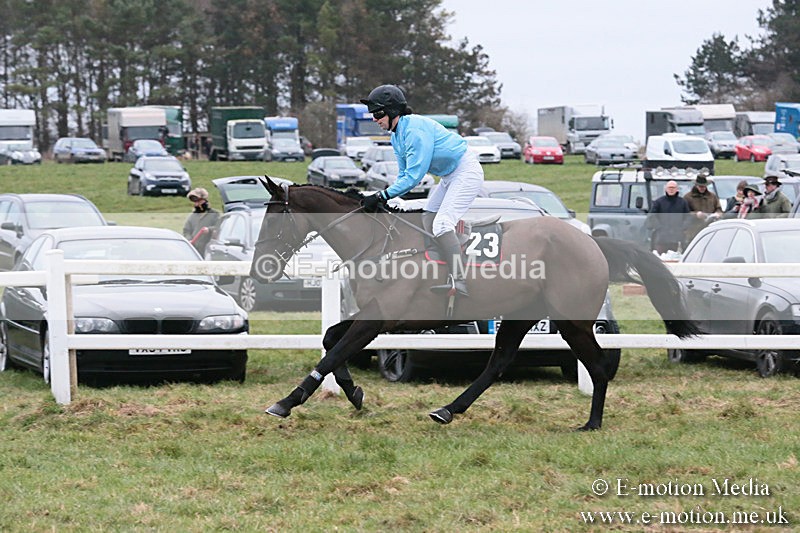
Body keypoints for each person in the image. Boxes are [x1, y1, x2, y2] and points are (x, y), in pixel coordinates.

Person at [359, 84, 484, 297]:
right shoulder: (396, 135)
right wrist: (387, 196)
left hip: (465, 171)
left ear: (391, 111)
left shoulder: (414, 131)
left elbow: (414, 177)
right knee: (429, 219)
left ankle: (460, 281)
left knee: (442, 224)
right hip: (449, 176)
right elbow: (403, 175)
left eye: (377, 113)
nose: (374, 119)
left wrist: (382, 195)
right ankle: (449, 256)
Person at [646, 180, 690, 254]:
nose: (671, 189)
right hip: (661, 238)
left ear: (677, 189)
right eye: (669, 187)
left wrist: (683, 227)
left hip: (676, 238)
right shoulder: (659, 202)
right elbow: (652, 216)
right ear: (666, 189)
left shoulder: (683, 202)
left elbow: (688, 217)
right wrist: (659, 227)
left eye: (673, 188)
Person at [683, 174, 721, 243]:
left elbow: (719, 208)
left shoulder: (712, 196)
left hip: (710, 229)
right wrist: (696, 214)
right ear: (696, 185)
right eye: (700, 186)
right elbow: (684, 213)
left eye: (704, 186)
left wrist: (718, 213)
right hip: (693, 231)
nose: (702, 188)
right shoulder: (687, 197)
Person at [183, 187, 220, 255]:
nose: (197, 204)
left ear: (204, 200)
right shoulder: (192, 216)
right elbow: (186, 231)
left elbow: (219, 227)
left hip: (209, 249)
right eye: (195, 202)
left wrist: (209, 230)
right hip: (194, 249)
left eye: (199, 201)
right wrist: (189, 240)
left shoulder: (215, 214)